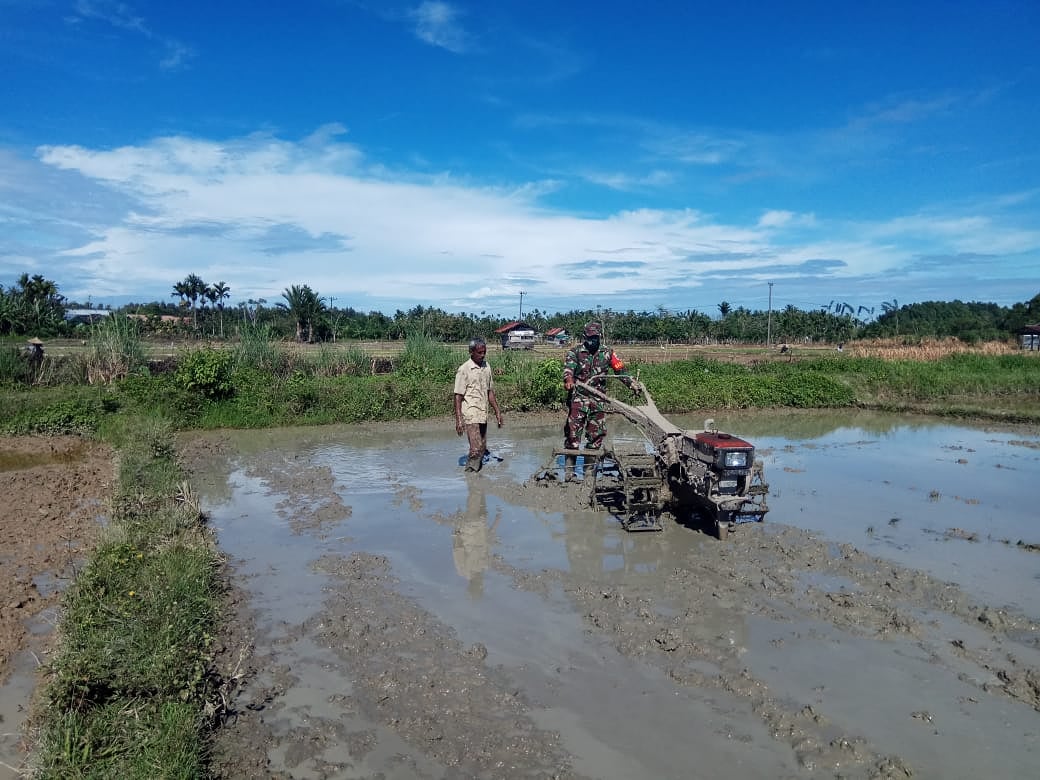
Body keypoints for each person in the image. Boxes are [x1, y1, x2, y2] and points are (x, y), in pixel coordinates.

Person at [562, 322, 641, 480]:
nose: (593, 341)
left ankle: (588, 473)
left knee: (596, 436)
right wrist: (569, 380)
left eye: (596, 338)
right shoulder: (575, 352)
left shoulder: (608, 352)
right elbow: (568, 369)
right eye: (590, 338)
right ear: (585, 337)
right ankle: (569, 473)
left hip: (598, 399)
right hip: (579, 397)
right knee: (572, 435)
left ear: (600, 337)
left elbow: (620, 370)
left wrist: (631, 383)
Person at [454, 337, 503, 472]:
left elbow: (489, 392)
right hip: (470, 413)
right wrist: (459, 420)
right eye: (479, 352)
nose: (482, 355)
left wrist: (497, 412)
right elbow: (458, 396)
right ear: (471, 352)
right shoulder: (464, 369)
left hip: (482, 412)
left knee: (482, 448)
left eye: (484, 352)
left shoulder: (486, 367)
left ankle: (476, 475)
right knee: (475, 449)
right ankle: (472, 478)